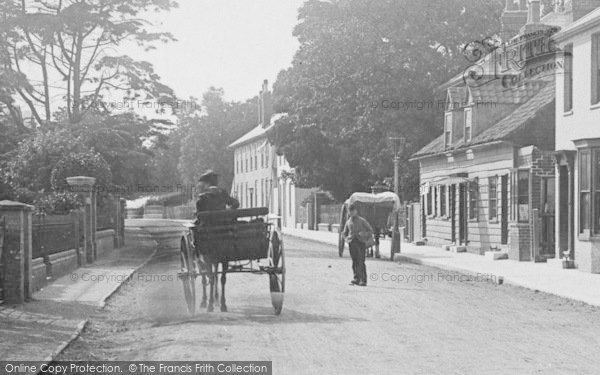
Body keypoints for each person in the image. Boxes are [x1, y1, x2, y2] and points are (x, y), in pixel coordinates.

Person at [342, 203, 374, 286]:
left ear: (356, 211)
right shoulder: (348, 222)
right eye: (350, 211)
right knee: (354, 261)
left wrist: (364, 234)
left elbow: (370, 231)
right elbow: (344, 233)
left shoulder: (362, 221)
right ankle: (356, 278)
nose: (352, 213)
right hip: (352, 243)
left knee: (361, 261)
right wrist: (346, 239)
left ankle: (363, 280)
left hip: (360, 243)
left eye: (353, 211)